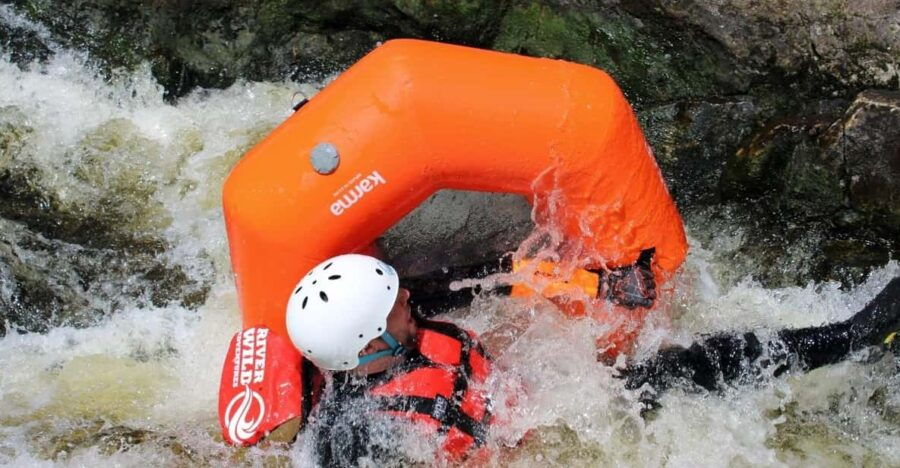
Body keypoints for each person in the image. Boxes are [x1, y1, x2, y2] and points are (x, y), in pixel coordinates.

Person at [283, 254, 900, 466]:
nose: (408, 298)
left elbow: (486, 281)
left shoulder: (401, 324)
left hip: (555, 405)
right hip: (546, 443)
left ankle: (851, 335)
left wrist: (599, 285)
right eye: (392, 305)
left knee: (686, 368)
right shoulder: (361, 434)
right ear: (367, 345)